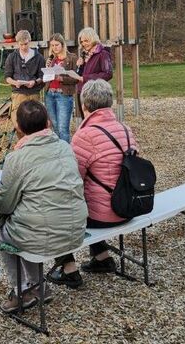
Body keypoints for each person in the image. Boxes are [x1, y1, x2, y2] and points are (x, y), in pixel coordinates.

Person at [0, 100, 87, 311]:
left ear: (18, 127)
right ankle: (37, 285)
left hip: (45, 234)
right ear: (48, 122)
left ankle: (22, 289)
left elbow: (4, 204)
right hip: (75, 228)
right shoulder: (64, 146)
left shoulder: (17, 158)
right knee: (28, 222)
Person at [48, 80, 137, 287]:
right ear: (110, 102)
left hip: (103, 215)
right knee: (95, 195)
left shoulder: (84, 135)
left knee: (57, 208)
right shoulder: (125, 129)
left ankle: (68, 267)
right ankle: (102, 256)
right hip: (128, 206)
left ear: (84, 105)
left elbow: (72, 180)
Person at [4, 30, 46, 126]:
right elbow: (7, 77)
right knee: (18, 123)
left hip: (33, 93)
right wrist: (15, 82)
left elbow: (42, 76)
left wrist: (34, 82)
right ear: (17, 43)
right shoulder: (12, 57)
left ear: (30, 41)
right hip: (18, 94)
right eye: (21, 44)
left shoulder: (39, 57)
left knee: (35, 123)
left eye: (26, 44)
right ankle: (23, 141)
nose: (23, 47)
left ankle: (32, 140)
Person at [44, 33, 79, 142]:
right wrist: (47, 69)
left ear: (63, 44)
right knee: (54, 126)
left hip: (63, 95)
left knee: (63, 128)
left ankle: (66, 154)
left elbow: (76, 79)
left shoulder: (72, 58)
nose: (54, 48)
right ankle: (57, 151)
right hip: (50, 94)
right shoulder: (51, 59)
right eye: (52, 46)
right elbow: (46, 77)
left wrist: (61, 78)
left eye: (57, 45)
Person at [75, 27, 113, 117]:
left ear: (93, 39)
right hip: (82, 91)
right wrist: (79, 66)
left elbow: (108, 74)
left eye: (86, 41)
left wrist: (85, 78)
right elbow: (80, 74)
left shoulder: (103, 53)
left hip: (95, 93)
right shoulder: (85, 54)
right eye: (82, 42)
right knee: (85, 120)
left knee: (96, 120)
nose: (83, 44)